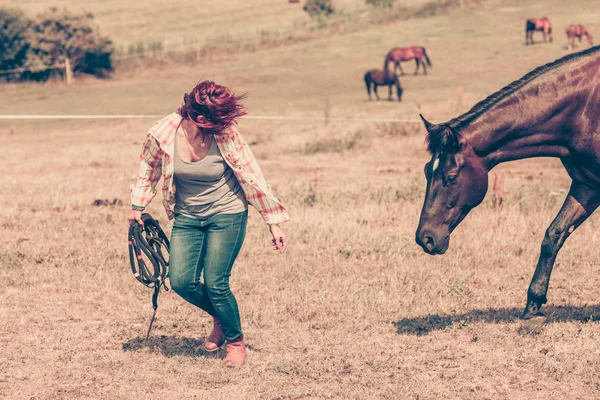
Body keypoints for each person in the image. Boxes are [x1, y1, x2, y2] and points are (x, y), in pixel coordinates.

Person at [128, 80, 289, 367]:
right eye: (217, 119)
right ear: (199, 118)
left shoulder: (225, 133)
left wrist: (273, 221)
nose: (225, 124)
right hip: (188, 216)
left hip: (227, 212)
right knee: (181, 282)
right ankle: (219, 314)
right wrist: (138, 205)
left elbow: (252, 173)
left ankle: (235, 342)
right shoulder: (163, 134)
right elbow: (148, 169)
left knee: (216, 282)